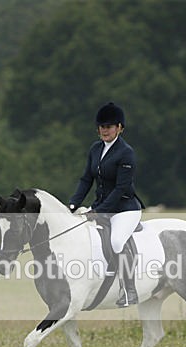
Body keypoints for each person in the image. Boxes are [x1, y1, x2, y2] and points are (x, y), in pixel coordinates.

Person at [68, 102, 144, 307]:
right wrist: (73, 205)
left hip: (125, 209)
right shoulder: (95, 149)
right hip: (101, 207)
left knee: (117, 241)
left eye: (109, 126)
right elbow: (86, 179)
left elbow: (120, 189)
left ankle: (129, 290)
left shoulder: (126, 153)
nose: (104, 130)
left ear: (120, 128)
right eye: (101, 126)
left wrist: (98, 211)